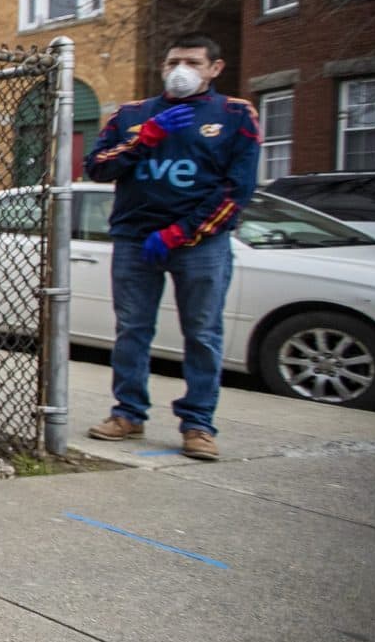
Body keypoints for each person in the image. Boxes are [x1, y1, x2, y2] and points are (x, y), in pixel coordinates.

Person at [83, 33, 260, 462]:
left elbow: (238, 189)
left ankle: (198, 423)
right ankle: (128, 412)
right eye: (174, 61)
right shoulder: (132, 115)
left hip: (200, 244)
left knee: (202, 333)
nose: (182, 70)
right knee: (132, 330)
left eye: (194, 62)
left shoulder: (236, 115)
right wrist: (144, 139)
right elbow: (97, 167)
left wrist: (180, 233)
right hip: (133, 237)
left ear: (215, 69)